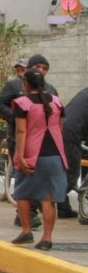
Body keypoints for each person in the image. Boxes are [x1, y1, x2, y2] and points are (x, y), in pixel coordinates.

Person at [10, 68, 67, 250]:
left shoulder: (22, 103)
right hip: (55, 154)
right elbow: (60, 127)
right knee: (48, 198)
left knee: (22, 192)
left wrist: (20, 155)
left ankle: (26, 231)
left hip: (32, 154)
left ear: (26, 84)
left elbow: (21, 131)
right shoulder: (56, 102)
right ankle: (47, 238)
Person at [62, 87, 88, 223]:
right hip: (71, 133)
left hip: (67, 129)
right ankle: (30, 207)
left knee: (67, 172)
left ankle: (63, 208)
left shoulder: (84, 92)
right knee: (71, 175)